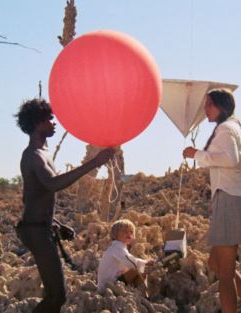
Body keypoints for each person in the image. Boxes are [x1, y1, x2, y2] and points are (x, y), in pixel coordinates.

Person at [14, 98, 115, 313]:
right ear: (38, 122)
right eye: (49, 119)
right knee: (56, 296)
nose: (54, 123)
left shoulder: (42, 154)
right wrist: (95, 162)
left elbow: (33, 196)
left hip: (40, 228)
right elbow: (53, 184)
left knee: (55, 295)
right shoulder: (33, 155)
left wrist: (55, 223)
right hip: (35, 231)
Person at [182, 89, 241, 313]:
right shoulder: (239, 128)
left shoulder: (226, 129)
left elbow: (230, 159)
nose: (205, 109)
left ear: (222, 106)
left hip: (229, 201)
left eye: (209, 104)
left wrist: (196, 154)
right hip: (237, 199)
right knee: (215, 264)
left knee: (225, 275)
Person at [97, 219, 154, 295]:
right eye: (124, 231)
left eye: (131, 231)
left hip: (113, 283)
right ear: (115, 234)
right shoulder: (116, 247)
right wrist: (146, 263)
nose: (129, 234)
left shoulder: (120, 247)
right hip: (107, 287)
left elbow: (130, 259)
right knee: (137, 270)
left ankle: (140, 295)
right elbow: (132, 262)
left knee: (138, 271)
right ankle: (144, 297)